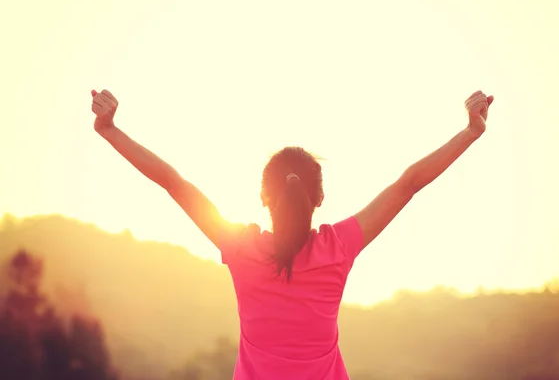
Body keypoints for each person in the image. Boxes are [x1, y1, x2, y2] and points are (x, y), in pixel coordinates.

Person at [89, 89, 494, 379]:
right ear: (320, 198)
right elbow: (408, 184)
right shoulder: (338, 248)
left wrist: (109, 130)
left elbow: (174, 183)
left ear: (264, 197)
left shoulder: (241, 247)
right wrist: (470, 132)